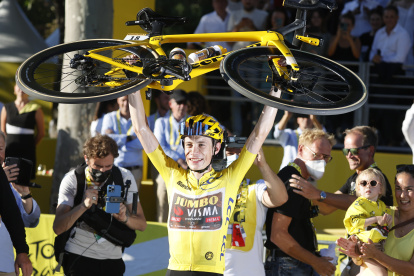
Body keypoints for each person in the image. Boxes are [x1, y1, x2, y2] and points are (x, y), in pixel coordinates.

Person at [128, 83, 280, 275]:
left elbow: (259, 135)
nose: (194, 152)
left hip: (210, 271)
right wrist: (133, 85)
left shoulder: (229, 178)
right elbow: (141, 129)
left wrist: (277, 88)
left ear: (216, 149)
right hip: (175, 270)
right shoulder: (173, 174)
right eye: (189, 145)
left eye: (201, 145)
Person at [289, 126, 393, 275]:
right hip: (356, 254)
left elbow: (357, 202)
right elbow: (326, 208)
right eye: (345, 151)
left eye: (354, 150)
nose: (349, 155)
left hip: (373, 256)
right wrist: (303, 189)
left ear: (370, 150)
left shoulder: (376, 179)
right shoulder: (354, 178)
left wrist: (319, 194)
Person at [53, 135, 146, 276]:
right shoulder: (73, 179)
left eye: (108, 166)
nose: (103, 171)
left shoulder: (124, 177)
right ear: (86, 159)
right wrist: (83, 206)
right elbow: (58, 227)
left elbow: (141, 224)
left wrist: (125, 218)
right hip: (78, 257)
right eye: (97, 166)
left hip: (112, 260)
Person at [264, 128, 337, 276]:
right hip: (288, 265)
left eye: (326, 157)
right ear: (301, 149)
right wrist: (316, 262)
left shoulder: (301, 181)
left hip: (294, 264)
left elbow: (327, 209)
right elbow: (278, 235)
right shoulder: (293, 181)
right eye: (317, 154)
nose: (321, 161)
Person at [337, 164, 414, 275]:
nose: (402, 195)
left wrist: (376, 255)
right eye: (398, 189)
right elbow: (360, 260)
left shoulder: (381, 213)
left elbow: (411, 270)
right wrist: (356, 252)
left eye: (409, 189)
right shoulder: (381, 212)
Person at [224, 147, 288, 276]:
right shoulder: (205, 189)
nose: (235, 157)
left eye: (240, 154)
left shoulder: (256, 188)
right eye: (230, 153)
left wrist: (263, 165)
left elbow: (280, 198)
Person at [0, 131, 40, 276]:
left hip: (4, 262)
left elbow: (31, 220)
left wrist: (25, 194)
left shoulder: (11, 184)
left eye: (0, 149)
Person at [343, 168, 391, 276]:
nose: (368, 186)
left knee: (366, 271)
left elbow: (387, 220)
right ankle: (363, 257)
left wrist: (388, 219)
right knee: (381, 274)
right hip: (364, 244)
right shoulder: (359, 204)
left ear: (380, 189)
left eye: (373, 183)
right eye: (363, 183)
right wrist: (375, 219)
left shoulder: (382, 205)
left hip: (379, 244)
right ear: (358, 188)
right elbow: (355, 222)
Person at [153, 90, 188, 223]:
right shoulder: (161, 122)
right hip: (166, 171)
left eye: (184, 103)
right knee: (163, 207)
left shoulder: (192, 122)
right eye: (179, 103)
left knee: (184, 210)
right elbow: (160, 147)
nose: (182, 106)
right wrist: (179, 160)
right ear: (170, 104)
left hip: (186, 172)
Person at [1, 84, 45, 179]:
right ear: (14, 89)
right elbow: (2, 132)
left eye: (24, 87)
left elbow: (41, 133)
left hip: (27, 154)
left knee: (24, 183)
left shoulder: (36, 108)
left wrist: (30, 146)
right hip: (10, 152)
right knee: (9, 181)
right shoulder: (6, 108)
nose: (21, 89)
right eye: (18, 86)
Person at [101, 95, 144, 191]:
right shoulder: (109, 117)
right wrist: (129, 138)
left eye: (128, 101)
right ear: (118, 100)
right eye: (123, 100)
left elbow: (142, 144)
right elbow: (106, 141)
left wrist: (118, 143)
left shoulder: (140, 119)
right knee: (114, 202)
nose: (126, 104)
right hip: (115, 168)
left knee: (132, 203)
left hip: (135, 170)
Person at [369, 5, 412, 82]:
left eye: (392, 17)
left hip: (397, 77)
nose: (389, 20)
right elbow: (372, 52)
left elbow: (400, 58)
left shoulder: (403, 34)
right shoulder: (379, 33)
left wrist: (380, 59)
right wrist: (373, 57)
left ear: (397, 18)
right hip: (379, 74)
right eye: (386, 17)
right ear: (383, 18)